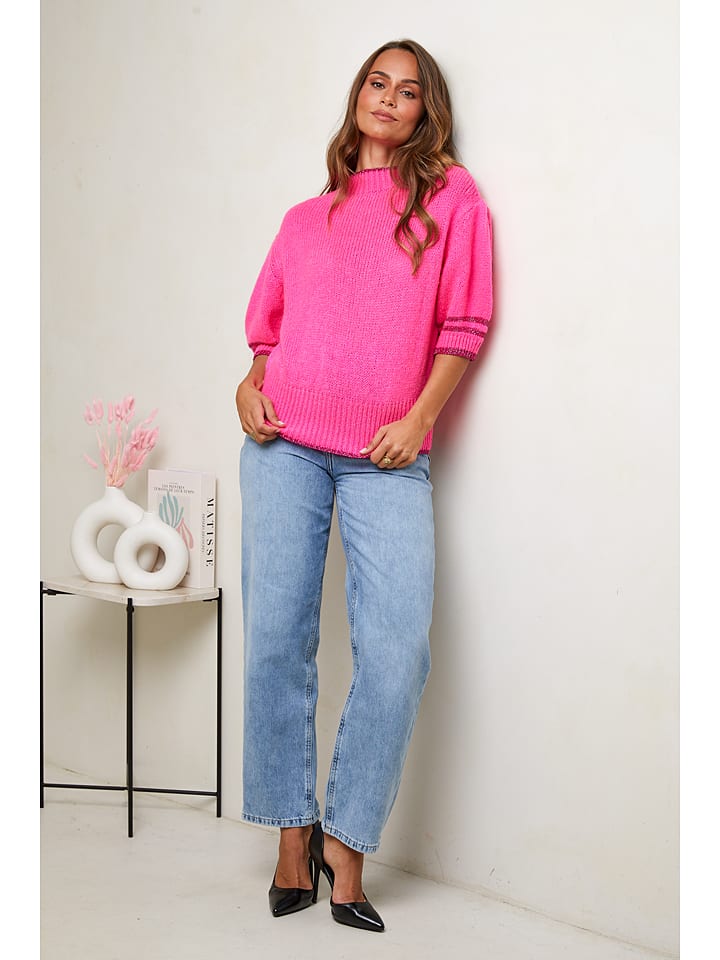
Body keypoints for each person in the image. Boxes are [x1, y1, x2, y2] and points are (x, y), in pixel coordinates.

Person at [235, 38, 493, 933]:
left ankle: (346, 844)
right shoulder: (306, 217)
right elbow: (267, 339)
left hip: (387, 454)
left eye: (408, 90)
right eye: (376, 83)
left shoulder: (451, 199)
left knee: (397, 651)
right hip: (282, 445)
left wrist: (418, 421)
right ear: (357, 98)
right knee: (275, 640)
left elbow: (464, 325)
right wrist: (247, 386)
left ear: (427, 111)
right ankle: (291, 836)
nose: (388, 98)